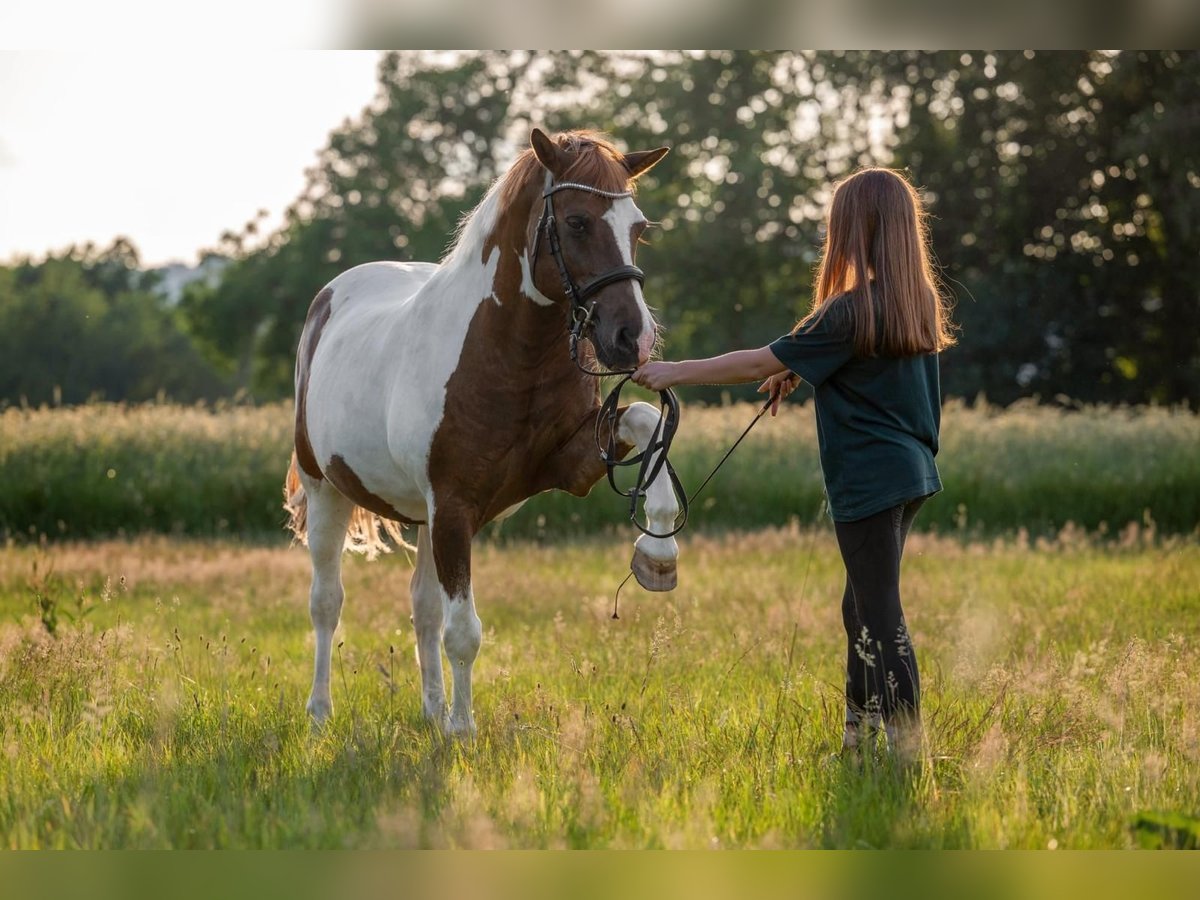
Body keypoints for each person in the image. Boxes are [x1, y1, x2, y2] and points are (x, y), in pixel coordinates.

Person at [632, 166, 956, 762]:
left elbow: (757, 361)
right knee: (859, 605)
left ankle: (909, 754)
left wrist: (672, 372)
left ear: (852, 230)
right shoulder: (915, 302)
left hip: (868, 479)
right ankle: (858, 746)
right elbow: (855, 367)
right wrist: (797, 368)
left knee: (881, 614)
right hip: (912, 474)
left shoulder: (847, 310)